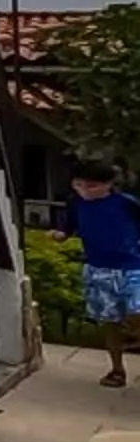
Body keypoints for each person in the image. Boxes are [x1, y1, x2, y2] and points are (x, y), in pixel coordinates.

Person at [65, 160, 140, 387]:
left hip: (132, 265)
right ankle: (117, 370)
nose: (85, 191)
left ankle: (134, 339)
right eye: (79, 185)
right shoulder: (75, 203)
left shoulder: (126, 203)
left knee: (137, 313)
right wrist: (62, 234)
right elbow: (70, 226)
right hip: (98, 268)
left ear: (108, 185)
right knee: (111, 321)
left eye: (92, 186)